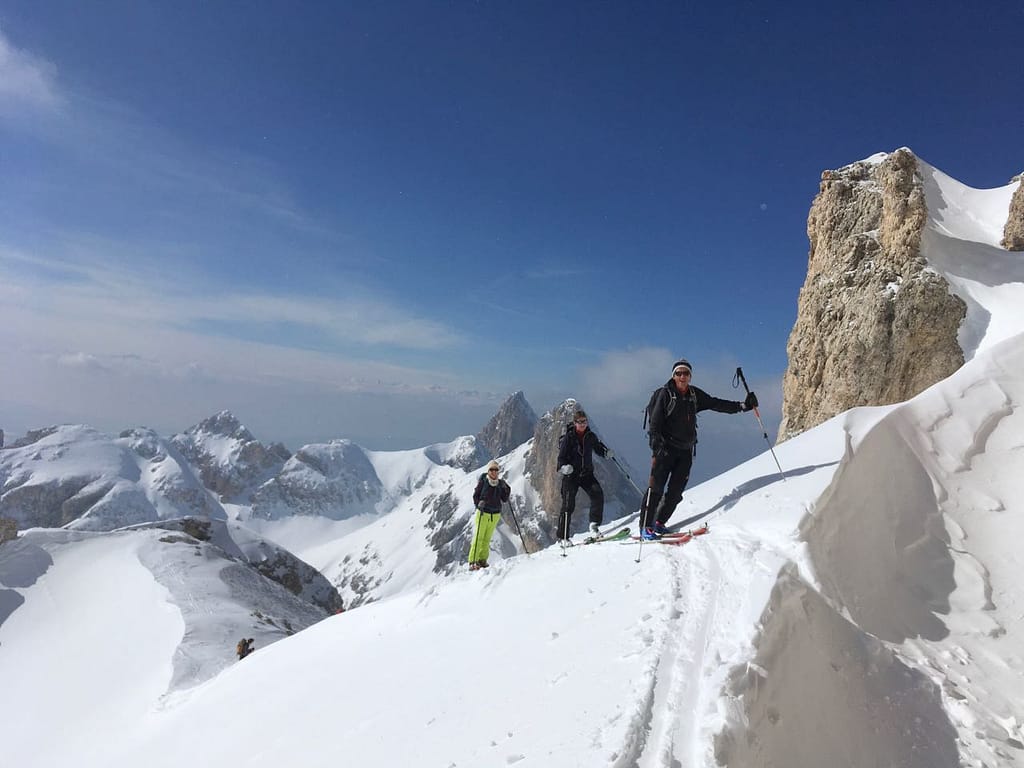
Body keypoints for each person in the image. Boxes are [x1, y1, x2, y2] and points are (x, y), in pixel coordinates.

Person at [640, 359, 757, 540]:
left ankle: (659, 522)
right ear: (673, 376)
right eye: (678, 373)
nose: (682, 377)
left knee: (676, 492)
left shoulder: (694, 395)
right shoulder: (665, 394)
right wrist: (656, 449)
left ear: (690, 376)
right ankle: (645, 527)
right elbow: (654, 425)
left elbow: (715, 404)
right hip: (666, 450)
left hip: (686, 451)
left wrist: (742, 406)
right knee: (655, 489)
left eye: (686, 373)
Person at [556, 409, 613, 544]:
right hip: (571, 476)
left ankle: (594, 525)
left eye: (585, 421)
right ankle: (563, 537)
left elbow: (598, 448)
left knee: (597, 494)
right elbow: (561, 458)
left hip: (586, 474)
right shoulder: (569, 438)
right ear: (575, 423)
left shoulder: (590, 436)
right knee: (568, 505)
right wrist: (564, 467)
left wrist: (606, 453)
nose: (583, 424)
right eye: (580, 422)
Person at [469, 460, 511, 570]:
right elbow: (475, 496)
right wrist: (479, 504)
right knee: (479, 537)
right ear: (488, 471)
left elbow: (505, 499)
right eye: (491, 470)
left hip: (495, 514)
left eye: (496, 470)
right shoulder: (483, 481)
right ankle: (473, 562)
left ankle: (482, 560)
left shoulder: (500, 484)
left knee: (487, 539)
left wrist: (507, 489)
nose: (494, 472)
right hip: (483, 513)